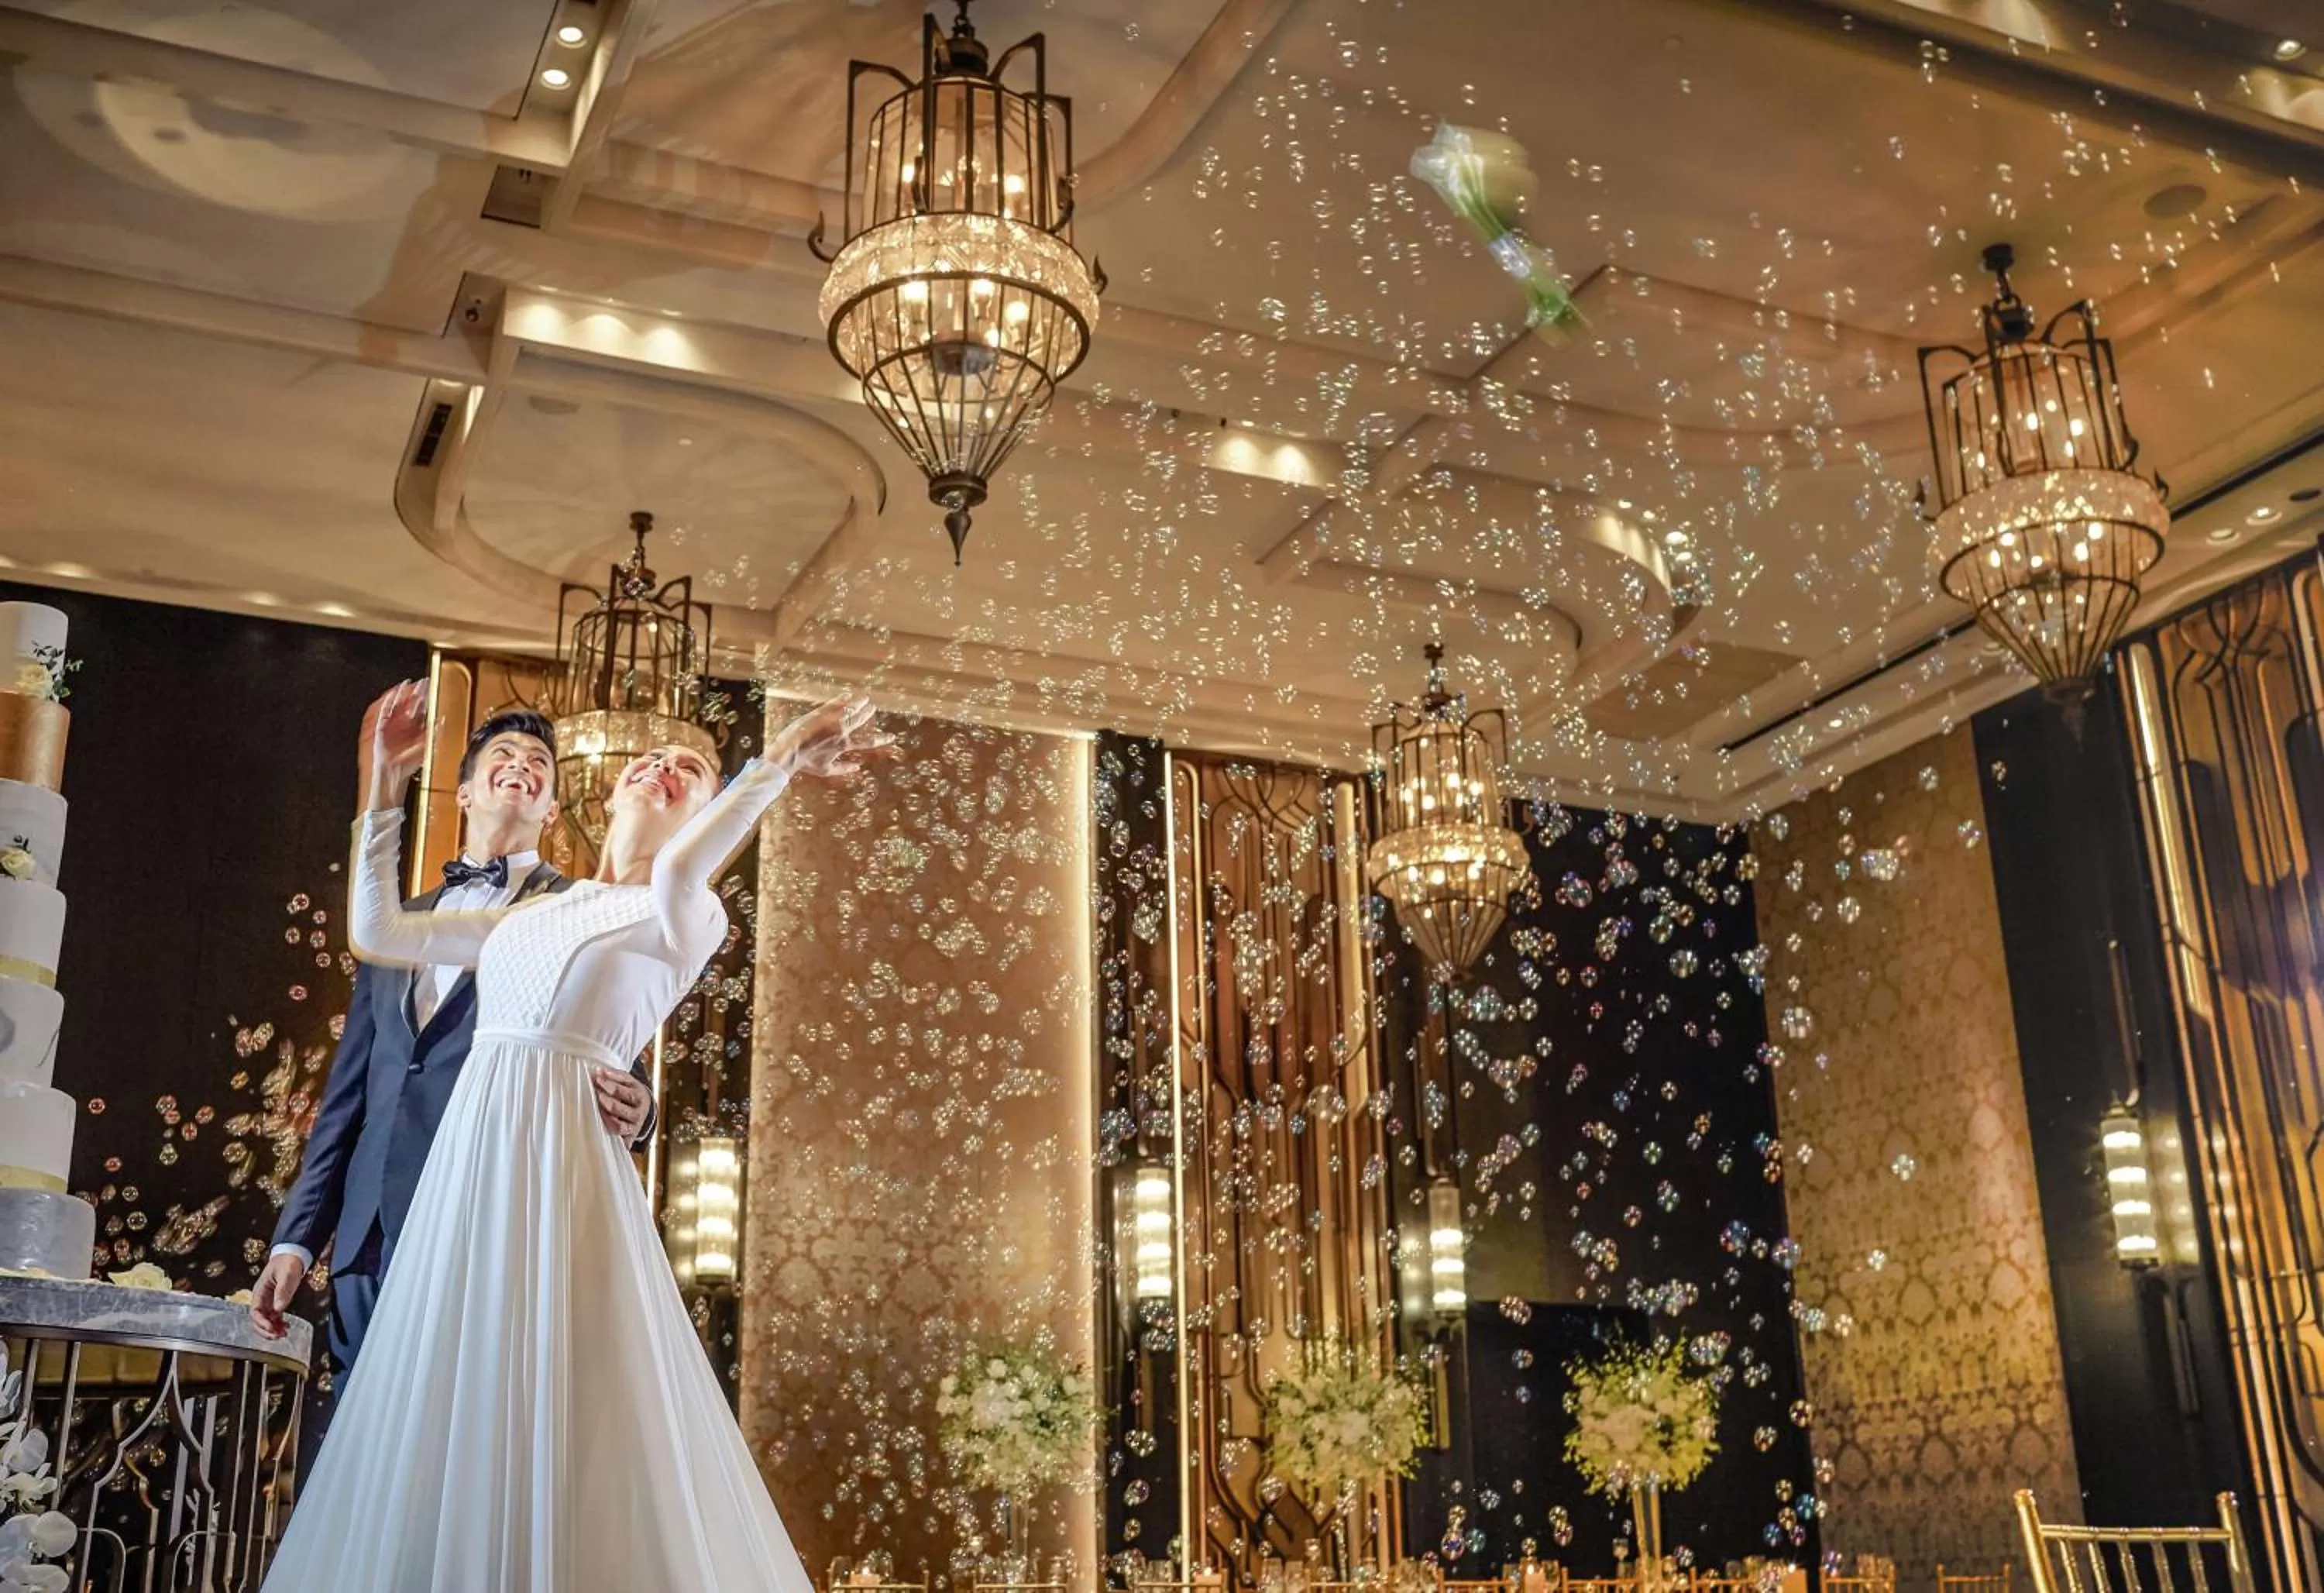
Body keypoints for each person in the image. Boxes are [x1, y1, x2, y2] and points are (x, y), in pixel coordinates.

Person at [257, 681, 886, 1591]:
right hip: (463, 1176)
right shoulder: (533, 914)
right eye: (653, 759)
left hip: (558, 1168)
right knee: (435, 1397)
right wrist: (383, 784)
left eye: (694, 771)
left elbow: (675, 875)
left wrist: (777, 761)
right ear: (603, 796)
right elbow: (378, 929)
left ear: (710, 815)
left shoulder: (690, 910)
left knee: (549, 1396)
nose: (665, 766)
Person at [250, 710, 656, 1387]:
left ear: (552, 808)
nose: (522, 762)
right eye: (505, 752)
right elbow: (349, 1098)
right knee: (360, 1457)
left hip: (491, 1223)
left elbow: (609, 1038)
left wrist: (641, 1110)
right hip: (370, 1239)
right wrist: (296, 1238)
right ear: (463, 792)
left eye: (539, 761)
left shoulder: (576, 911)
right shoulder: (398, 924)